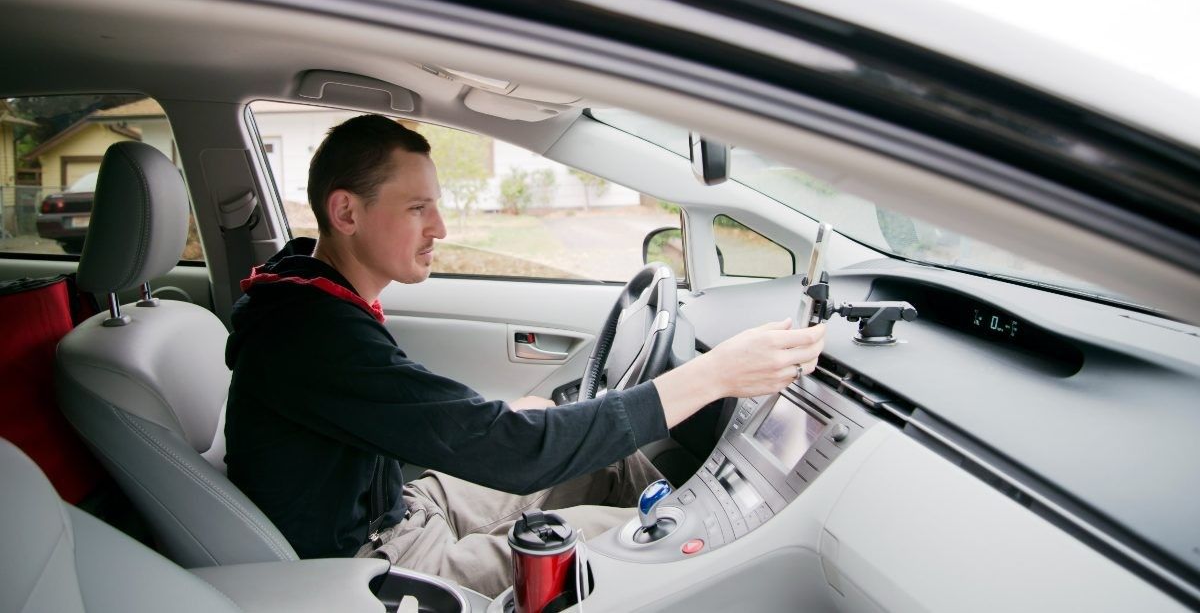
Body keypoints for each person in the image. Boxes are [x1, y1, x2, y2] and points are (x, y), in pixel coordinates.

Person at [224, 115, 826, 597]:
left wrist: (511, 421)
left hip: (401, 508)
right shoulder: (313, 334)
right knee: (646, 542)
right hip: (372, 563)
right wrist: (713, 374)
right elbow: (517, 454)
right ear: (347, 212)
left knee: (606, 469)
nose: (439, 227)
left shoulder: (308, 298)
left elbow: (418, 416)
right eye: (416, 209)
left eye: (435, 205)